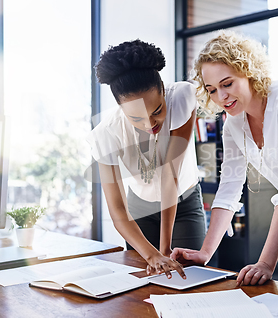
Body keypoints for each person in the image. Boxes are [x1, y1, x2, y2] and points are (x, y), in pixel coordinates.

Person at [171, 30, 278, 290]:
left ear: (249, 70)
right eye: (212, 90)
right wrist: (205, 253)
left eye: (227, 84)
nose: (221, 97)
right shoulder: (232, 123)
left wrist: (265, 264)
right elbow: (230, 186)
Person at [87, 39, 206, 278]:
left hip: (183, 202)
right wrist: (152, 255)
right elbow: (118, 210)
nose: (150, 124)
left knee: (190, 280)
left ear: (163, 89)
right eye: (136, 118)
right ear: (120, 107)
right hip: (138, 209)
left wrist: (164, 250)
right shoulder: (105, 133)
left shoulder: (181, 98)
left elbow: (169, 177)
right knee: (145, 285)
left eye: (157, 111)